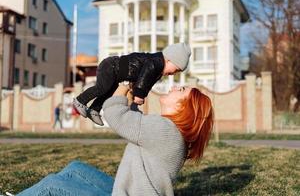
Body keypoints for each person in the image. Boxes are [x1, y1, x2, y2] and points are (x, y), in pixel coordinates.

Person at [17, 83, 214, 196]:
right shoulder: (168, 131)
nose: (175, 86)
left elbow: (116, 117)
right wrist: (131, 102)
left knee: (51, 186)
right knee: (76, 168)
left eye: (181, 90)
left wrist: (120, 90)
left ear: (184, 108)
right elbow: (136, 126)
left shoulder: (166, 131)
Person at [73, 43, 191, 126]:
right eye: (175, 70)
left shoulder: (158, 71)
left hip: (116, 74)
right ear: (169, 60)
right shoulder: (156, 62)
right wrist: (139, 94)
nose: (173, 74)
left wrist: (139, 96)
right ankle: (80, 100)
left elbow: (146, 83)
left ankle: (94, 109)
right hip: (111, 66)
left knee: (108, 91)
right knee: (102, 88)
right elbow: (145, 76)